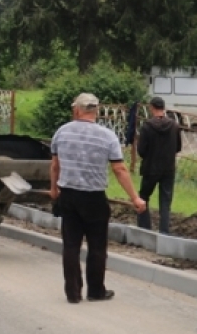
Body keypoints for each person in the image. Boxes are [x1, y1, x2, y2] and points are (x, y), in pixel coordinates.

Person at [50, 93, 146, 304]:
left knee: (71, 246)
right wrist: (135, 198)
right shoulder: (107, 136)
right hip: (94, 198)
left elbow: (55, 165)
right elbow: (119, 169)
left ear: (77, 110)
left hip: (69, 195)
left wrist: (54, 190)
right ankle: (95, 291)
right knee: (97, 246)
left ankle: (73, 293)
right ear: (96, 111)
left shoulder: (62, 133)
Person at [135, 96, 181, 234]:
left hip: (151, 168)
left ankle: (144, 229)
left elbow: (141, 150)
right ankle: (164, 232)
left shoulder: (147, 126)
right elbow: (178, 147)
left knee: (143, 197)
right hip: (168, 169)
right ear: (163, 108)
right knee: (165, 201)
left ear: (152, 108)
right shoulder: (174, 125)